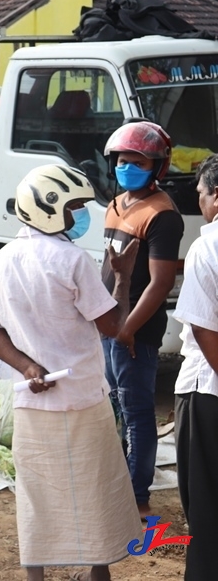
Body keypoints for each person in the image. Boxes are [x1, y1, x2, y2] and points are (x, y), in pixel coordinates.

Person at [0, 164, 142, 581]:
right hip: (83, 396)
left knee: (37, 495)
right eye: (75, 208)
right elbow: (112, 327)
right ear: (49, 210)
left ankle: (37, 576)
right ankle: (96, 572)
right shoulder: (71, 259)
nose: (81, 216)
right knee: (93, 488)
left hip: (31, 398)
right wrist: (122, 279)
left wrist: (28, 366)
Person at [100, 121, 183, 519]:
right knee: (115, 404)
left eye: (138, 162)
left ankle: (137, 495)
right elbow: (109, 266)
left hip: (135, 329)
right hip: (111, 324)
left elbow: (161, 282)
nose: (127, 167)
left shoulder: (163, 215)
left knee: (137, 413)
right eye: (122, 160)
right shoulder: (117, 204)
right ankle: (119, 481)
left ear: (157, 167)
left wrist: (127, 329)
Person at [173, 154, 218, 581]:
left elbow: (204, 328)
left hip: (208, 393)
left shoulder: (208, 245)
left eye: (201, 194)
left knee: (205, 513)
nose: (199, 203)